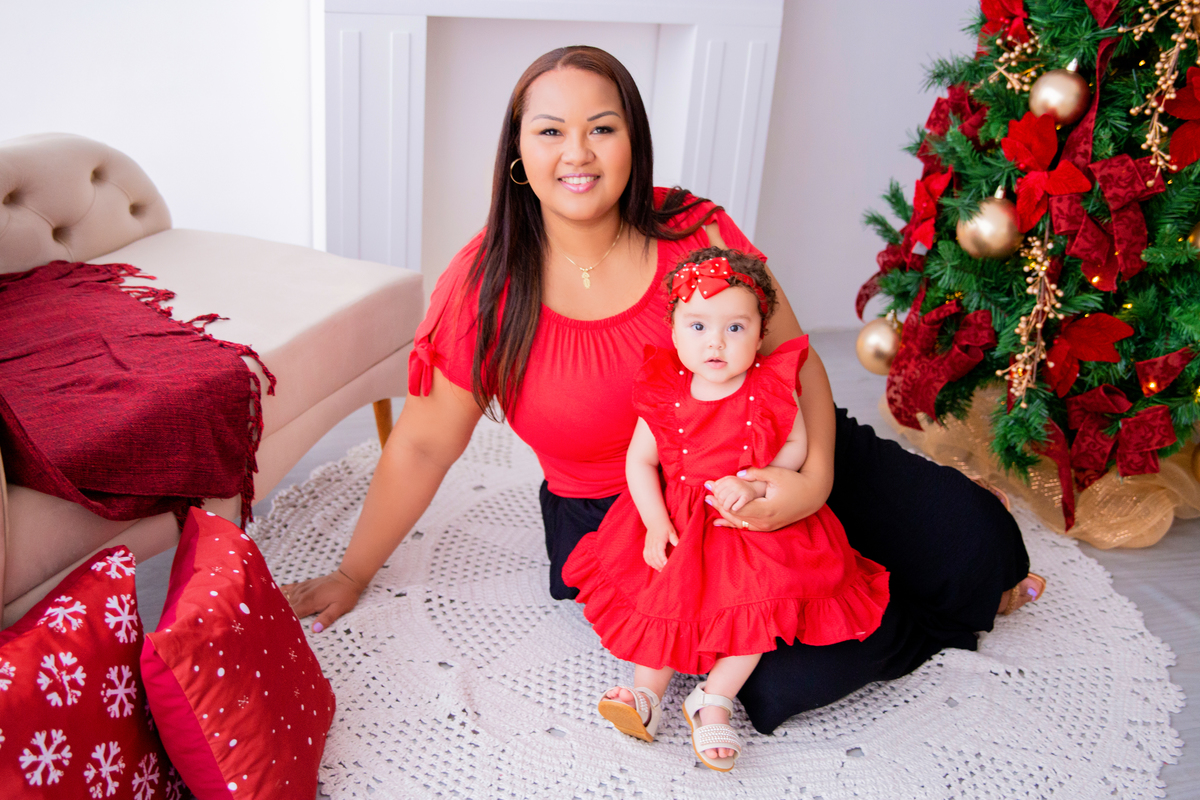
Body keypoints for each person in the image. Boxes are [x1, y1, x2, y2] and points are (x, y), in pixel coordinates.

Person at [283, 45, 1042, 735]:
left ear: (632, 141)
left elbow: (797, 359)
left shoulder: (696, 229)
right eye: (549, 131)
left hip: (773, 449)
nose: (577, 153)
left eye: (602, 128)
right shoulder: (484, 284)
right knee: (794, 678)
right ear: (517, 151)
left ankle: (907, 550)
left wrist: (812, 482)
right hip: (633, 516)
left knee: (977, 543)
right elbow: (420, 442)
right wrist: (353, 573)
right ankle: (887, 591)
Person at [562, 248, 891, 771]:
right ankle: (646, 696)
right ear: (673, 330)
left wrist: (759, 485)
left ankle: (713, 699)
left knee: (756, 610)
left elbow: (794, 449)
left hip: (745, 528)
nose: (715, 341)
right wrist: (653, 522)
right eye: (697, 325)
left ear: (761, 334)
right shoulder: (667, 391)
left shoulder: (769, 388)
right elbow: (639, 463)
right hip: (680, 520)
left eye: (735, 328)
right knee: (662, 600)